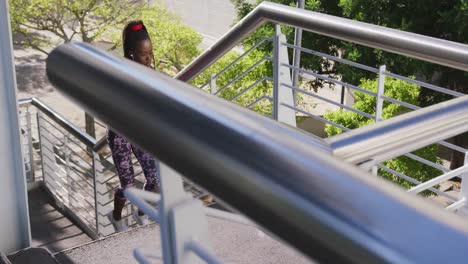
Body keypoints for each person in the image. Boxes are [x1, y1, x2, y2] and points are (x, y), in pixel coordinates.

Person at [107, 20, 159, 232]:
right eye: (142, 53)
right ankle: (116, 217)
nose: (148, 58)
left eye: (150, 52)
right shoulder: (120, 73)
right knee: (128, 187)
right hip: (120, 134)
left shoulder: (150, 71)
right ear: (130, 53)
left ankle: (140, 213)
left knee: (154, 180)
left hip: (140, 132)